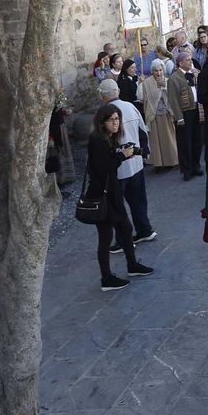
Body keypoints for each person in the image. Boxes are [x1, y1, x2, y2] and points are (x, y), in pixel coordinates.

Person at [85, 105, 154, 291]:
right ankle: (106, 278)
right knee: (106, 237)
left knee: (125, 228)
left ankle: (132, 266)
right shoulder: (97, 139)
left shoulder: (107, 138)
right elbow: (103, 168)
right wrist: (122, 156)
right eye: (111, 120)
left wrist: (123, 153)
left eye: (117, 119)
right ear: (102, 122)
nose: (115, 123)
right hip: (103, 195)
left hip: (111, 193)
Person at [99, 80, 156, 245]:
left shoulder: (104, 112)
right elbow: (142, 131)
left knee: (117, 205)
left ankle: (123, 240)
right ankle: (145, 230)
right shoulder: (130, 107)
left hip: (117, 166)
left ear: (102, 95)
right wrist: (145, 151)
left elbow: (101, 142)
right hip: (136, 163)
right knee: (138, 200)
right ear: (117, 91)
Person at [141, 61, 181, 172]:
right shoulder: (147, 83)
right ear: (152, 71)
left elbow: (173, 97)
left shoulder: (168, 81)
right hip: (154, 114)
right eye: (155, 70)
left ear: (163, 70)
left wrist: (164, 88)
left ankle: (172, 161)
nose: (158, 73)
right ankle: (158, 164)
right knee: (156, 140)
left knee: (169, 138)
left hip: (167, 113)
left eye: (160, 70)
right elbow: (146, 99)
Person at [170, 53, 202, 179]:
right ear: (180, 62)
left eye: (190, 60)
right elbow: (173, 100)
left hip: (195, 109)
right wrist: (179, 117)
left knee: (196, 140)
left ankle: (196, 166)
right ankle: (187, 170)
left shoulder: (193, 74)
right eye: (188, 60)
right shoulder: (174, 78)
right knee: (185, 142)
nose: (190, 62)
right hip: (184, 113)